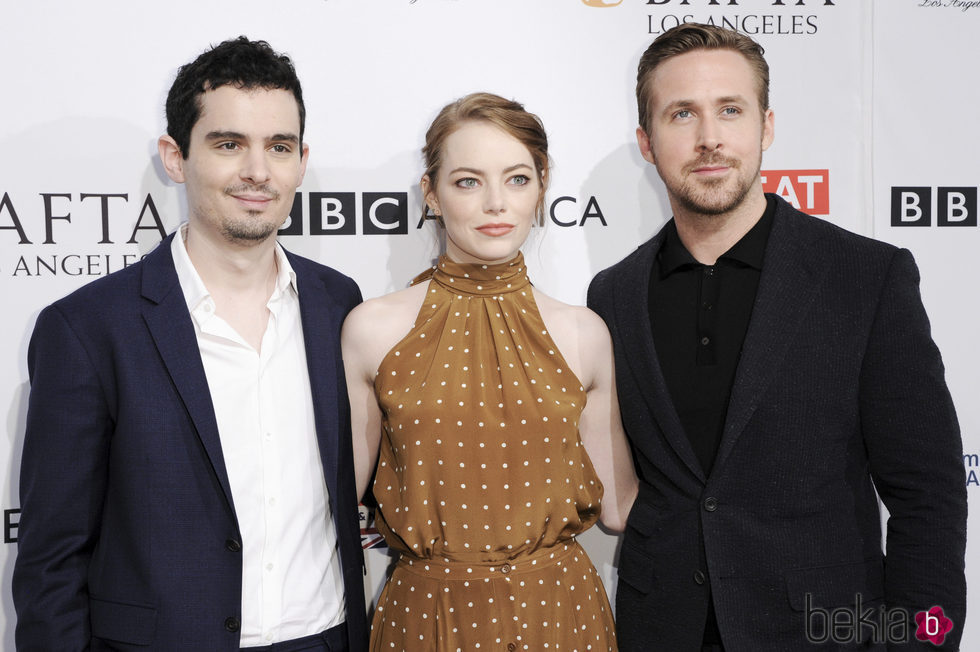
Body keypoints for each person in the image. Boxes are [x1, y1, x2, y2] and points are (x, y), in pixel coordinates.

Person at [588, 23, 967, 651]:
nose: (709, 138)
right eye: (681, 114)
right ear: (647, 143)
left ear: (765, 127)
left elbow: (929, 495)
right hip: (661, 631)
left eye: (729, 110)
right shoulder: (613, 295)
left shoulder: (865, 277)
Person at [12, 37, 367, 651]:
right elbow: (51, 559)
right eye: (228, 144)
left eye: (278, 147)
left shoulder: (340, 303)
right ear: (175, 157)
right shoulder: (88, 328)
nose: (258, 171)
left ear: (302, 161)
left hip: (326, 638)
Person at [342, 92, 638, 651]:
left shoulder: (584, 334)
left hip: (560, 615)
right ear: (431, 194)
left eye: (518, 179)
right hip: (426, 616)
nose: (496, 203)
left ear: (541, 189)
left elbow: (619, 509)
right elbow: (336, 502)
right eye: (468, 181)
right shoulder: (372, 330)